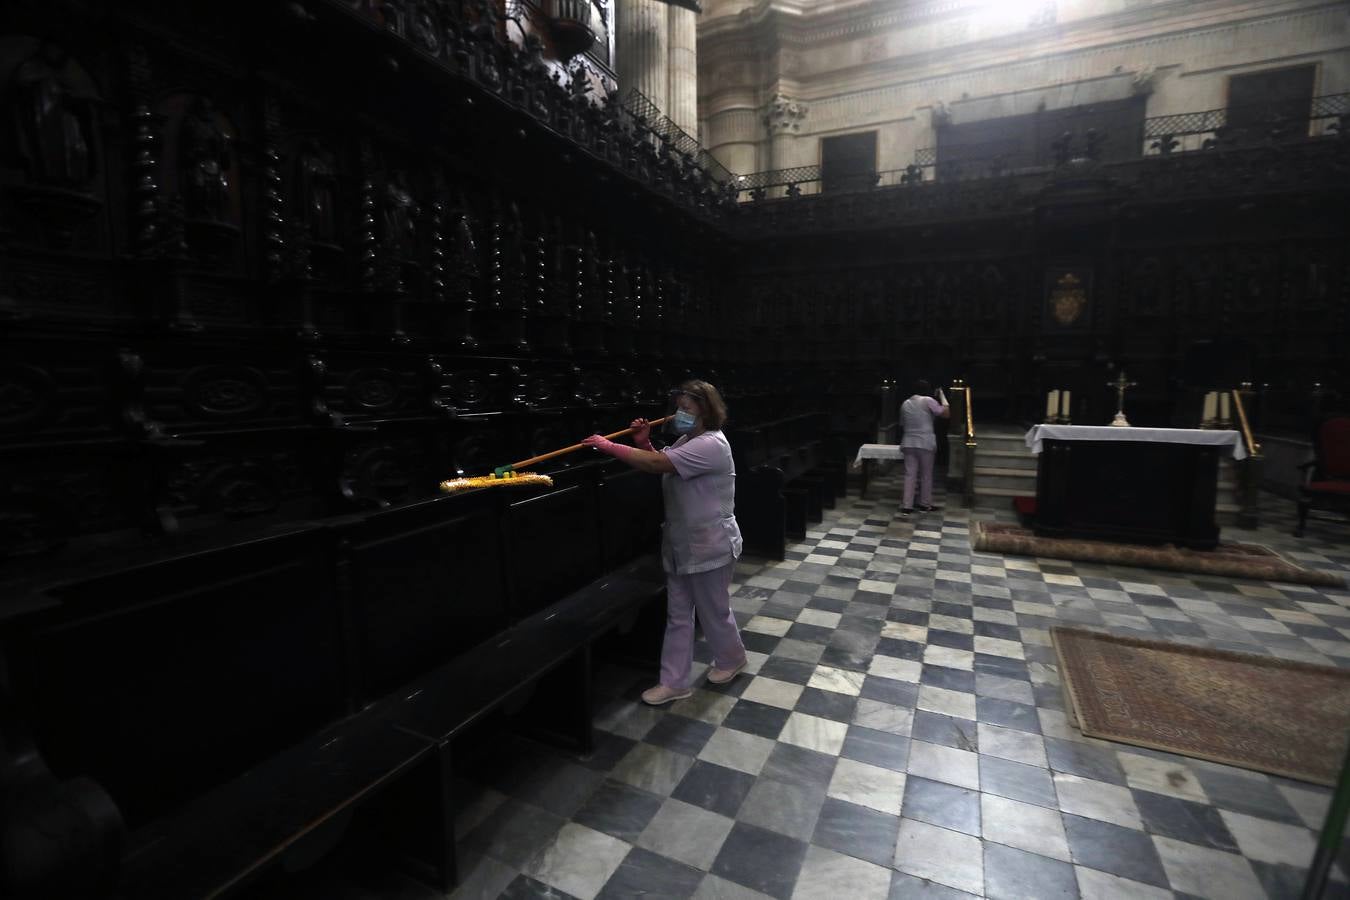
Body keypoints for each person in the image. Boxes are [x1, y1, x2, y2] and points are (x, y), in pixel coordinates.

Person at [582, 380, 747, 706]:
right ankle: (673, 682)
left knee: (714, 611)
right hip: (682, 542)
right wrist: (644, 443)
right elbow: (663, 463)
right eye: (679, 408)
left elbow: (660, 465)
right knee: (678, 615)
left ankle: (732, 659)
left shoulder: (713, 444)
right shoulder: (689, 439)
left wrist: (610, 446)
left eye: (687, 409)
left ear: (706, 410)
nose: (678, 414)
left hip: (710, 543)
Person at [899, 379, 950, 515]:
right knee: (926, 475)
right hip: (925, 442)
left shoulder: (905, 403)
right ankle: (924, 505)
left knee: (909, 475)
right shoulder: (928, 400)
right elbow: (945, 414)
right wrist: (942, 397)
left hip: (908, 442)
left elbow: (902, 423)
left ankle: (907, 506)